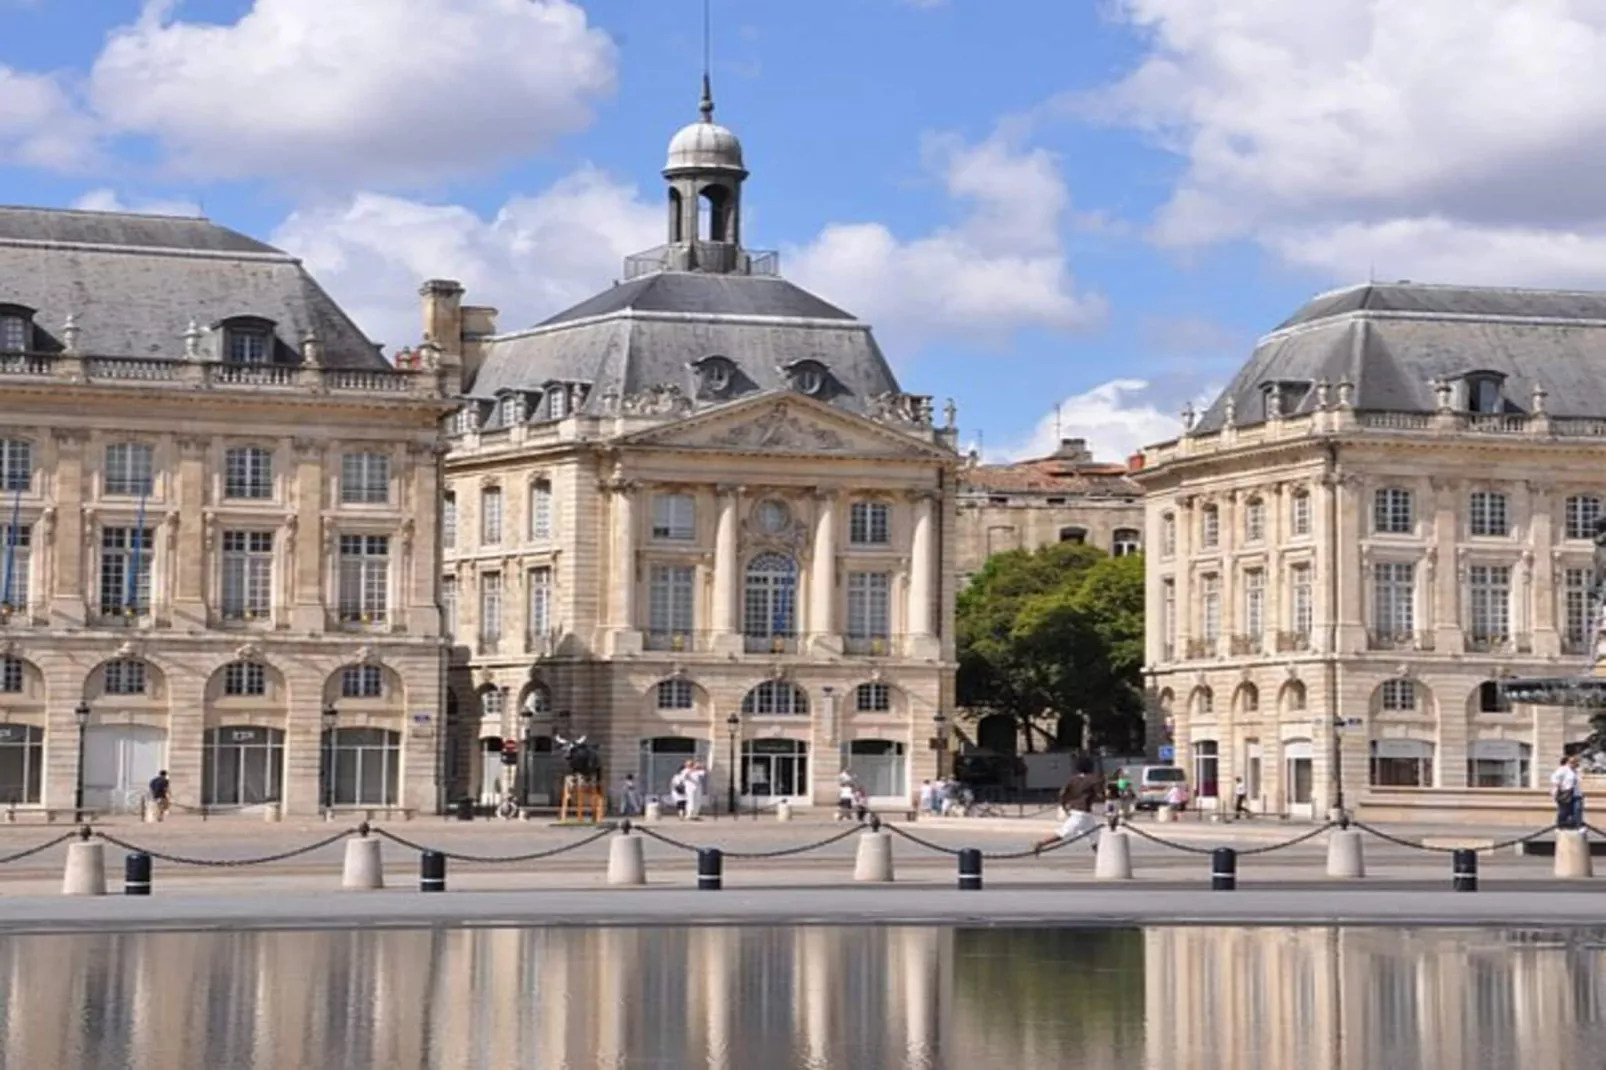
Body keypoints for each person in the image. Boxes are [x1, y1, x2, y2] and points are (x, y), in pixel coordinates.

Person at [1034, 757, 1105, 854]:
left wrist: (1064, 805)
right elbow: (1100, 795)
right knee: (1065, 833)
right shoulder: (1093, 779)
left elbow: (1062, 793)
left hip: (1082, 813)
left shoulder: (1073, 779)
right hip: (1082, 813)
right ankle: (1041, 843)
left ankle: (1102, 857)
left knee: (1095, 837)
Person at [1552, 753, 1582, 829]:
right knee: (1564, 811)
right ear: (1568, 762)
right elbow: (1554, 779)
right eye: (1571, 762)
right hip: (1565, 794)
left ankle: (1577, 826)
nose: (1573, 764)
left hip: (1576, 794)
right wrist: (1561, 787)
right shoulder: (1563, 769)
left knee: (1577, 809)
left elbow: (1578, 782)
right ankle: (1561, 825)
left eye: (1575, 762)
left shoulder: (1577, 771)